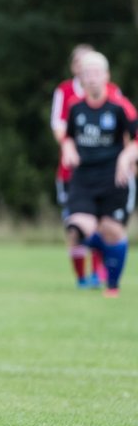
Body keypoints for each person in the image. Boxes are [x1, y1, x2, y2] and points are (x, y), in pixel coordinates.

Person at [59, 51, 138, 298]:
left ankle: (112, 285)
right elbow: (68, 136)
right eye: (86, 74)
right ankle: (99, 260)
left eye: (96, 73)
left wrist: (127, 157)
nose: (91, 78)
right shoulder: (75, 107)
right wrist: (68, 148)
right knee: (76, 229)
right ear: (80, 78)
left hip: (114, 178)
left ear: (106, 76)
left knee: (111, 230)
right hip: (83, 179)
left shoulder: (119, 106)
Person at [51, 44, 119, 288]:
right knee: (76, 227)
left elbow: (125, 131)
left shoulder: (112, 93)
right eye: (81, 62)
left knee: (101, 225)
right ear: (74, 67)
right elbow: (59, 128)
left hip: (105, 174)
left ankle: (100, 272)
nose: (86, 68)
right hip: (73, 174)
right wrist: (69, 147)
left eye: (91, 63)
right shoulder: (65, 92)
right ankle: (82, 277)